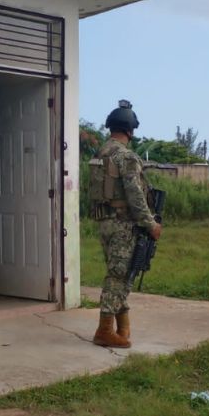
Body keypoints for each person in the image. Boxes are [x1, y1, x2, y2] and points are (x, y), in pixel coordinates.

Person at [88, 100, 162, 348]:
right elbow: (135, 195)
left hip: (105, 222)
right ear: (130, 130)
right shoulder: (126, 156)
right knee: (119, 277)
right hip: (123, 224)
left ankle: (123, 328)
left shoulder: (100, 154)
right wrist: (150, 224)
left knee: (120, 273)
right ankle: (104, 330)